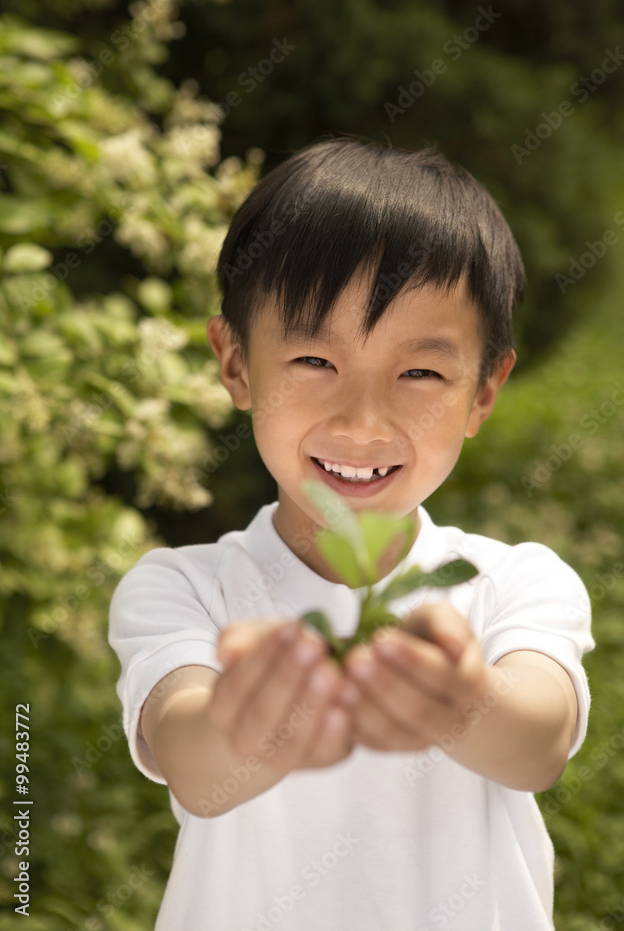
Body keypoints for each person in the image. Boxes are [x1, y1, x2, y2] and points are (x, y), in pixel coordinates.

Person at [108, 135, 595, 931]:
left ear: (483, 392)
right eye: (312, 359)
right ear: (234, 364)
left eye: (419, 373)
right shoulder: (183, 589)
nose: (362, 421)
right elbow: (194, 762)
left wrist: (460, 698)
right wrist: (260, 723)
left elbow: (535, 743)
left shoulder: (515, 585)